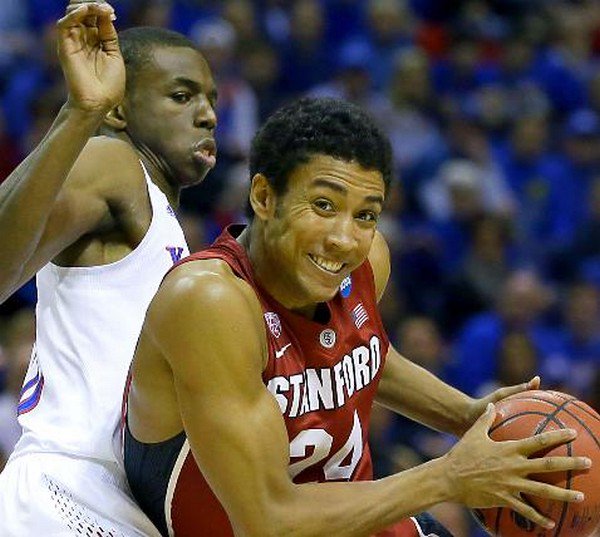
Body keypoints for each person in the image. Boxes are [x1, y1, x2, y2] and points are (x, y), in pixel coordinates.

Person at [124, 97, 590, 537]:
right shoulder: (210, 302)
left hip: (344, 513)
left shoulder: (366, 264)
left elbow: (366, 354)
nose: (345, 239)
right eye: (324, 206)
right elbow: (265, 520)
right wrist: (448, 476)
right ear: (264, 198)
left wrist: (465, 415)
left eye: (366, 215)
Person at [0, 2, 217, 535]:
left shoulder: (167, 228)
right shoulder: (115, 163)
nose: (208, 114)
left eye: (210, 99)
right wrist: (83, 113)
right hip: (68, 490)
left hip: (119, 504)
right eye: (181, 96)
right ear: (120, 111)